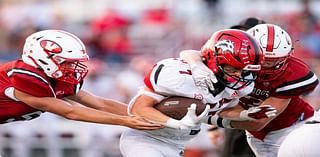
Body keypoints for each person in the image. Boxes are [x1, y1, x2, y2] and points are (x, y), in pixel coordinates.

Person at [119, 29, 275, 157]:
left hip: (177, 145)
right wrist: (176, 123)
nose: (238, 76)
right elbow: (137, 109)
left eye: (243, 71)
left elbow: (213, 116)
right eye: (233, 69)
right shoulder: (179, 75)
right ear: (214, 60)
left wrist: (243, 115)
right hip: (146, 139)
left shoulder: (238, 87)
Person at [180, 24, 319, 157]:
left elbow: (258, 122)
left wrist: (212, 118)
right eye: (265, 60)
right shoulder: (234, 61)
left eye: (276, 60)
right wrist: (196, 65)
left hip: (297, 123)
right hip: (265, 137)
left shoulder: (292, 73)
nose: (269, 65)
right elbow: (189, 54)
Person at [0, 29, 162, 130]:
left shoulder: (52, 76)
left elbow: (100, 103)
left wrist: (146, 114)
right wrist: (125, 121)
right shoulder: (23, 76)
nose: (73, 68)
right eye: (68, 63)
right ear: (43, 59)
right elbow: (70, 112)